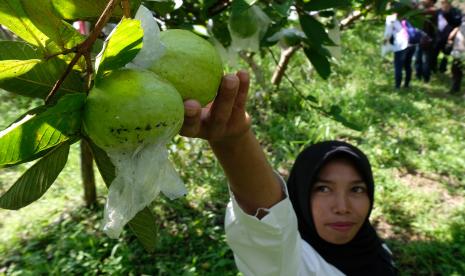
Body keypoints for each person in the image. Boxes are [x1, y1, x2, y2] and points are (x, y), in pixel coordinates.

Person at [180, 71, 397, 275]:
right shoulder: (292, 263)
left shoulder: (371, 247)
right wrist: (233, 141)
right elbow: (270, 231)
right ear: (301, 195)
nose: (342, 207)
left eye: (356, 189)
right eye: (323, 189)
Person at [383, 13, 416, 89]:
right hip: (411, 44)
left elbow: (388, 33)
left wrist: (384, 45)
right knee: (408, 65)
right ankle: (406, 85)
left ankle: (397, 86)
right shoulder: (408, 16)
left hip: (400, 45)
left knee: (398, 66)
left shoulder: (391, 19)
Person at [431, 0, 462, 73]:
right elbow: (434, 23)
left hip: (449, 38)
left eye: (445, 2)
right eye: (442, 2)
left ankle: (442, 70)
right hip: (438, 37)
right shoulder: (438, 11)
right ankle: (433, 69)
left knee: (445, 55)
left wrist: (448, 13)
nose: (443, 4)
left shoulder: (455, 12)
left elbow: (458, 23)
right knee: (434, 54)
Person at [415, 0, 437, 83]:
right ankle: (418, 76)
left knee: (426, 59)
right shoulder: (425, 9)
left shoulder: (433, 10)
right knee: (418, 58)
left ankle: (426, 78)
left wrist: (417, 6)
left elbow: (421, 12)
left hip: (428, 40)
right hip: (420, 38)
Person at [450, 19, 465, 94]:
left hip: (461, 52)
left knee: (456, 70)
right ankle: (455, 88)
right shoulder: (462, 24)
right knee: (456, 70)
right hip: (458, 50)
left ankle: (455, 89)